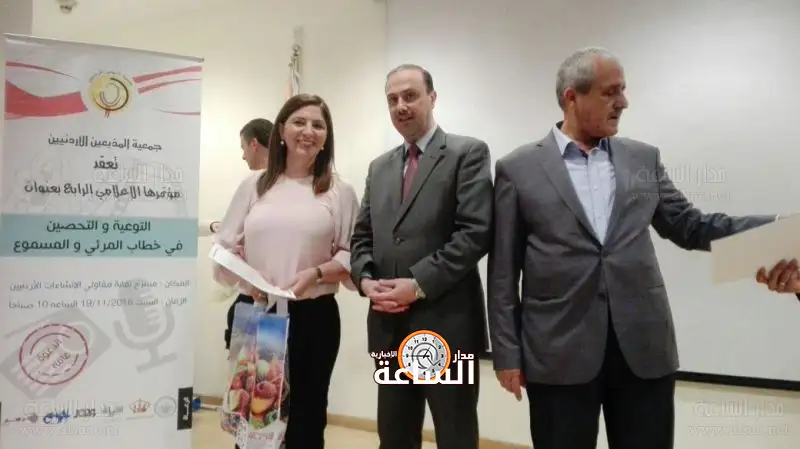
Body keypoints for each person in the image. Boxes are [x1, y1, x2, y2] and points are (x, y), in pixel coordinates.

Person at [487, 46, 779, 449]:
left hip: (643, 349)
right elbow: (503, 272)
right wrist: (506, 354)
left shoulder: (642, 158)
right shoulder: (517, 169)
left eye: (622, 90)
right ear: (572, 97)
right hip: (557, 354)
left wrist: (778, 232)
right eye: (611, 92)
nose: (623, 102)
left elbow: (691, 227)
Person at [350, 64, 493, 449]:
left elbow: (474, 233)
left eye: (410, 95)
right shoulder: (379, 167)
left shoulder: (467, 153)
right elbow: (361, 237)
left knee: (455, 436)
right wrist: (365, 280)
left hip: (447, 327)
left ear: (432, 97)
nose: (401, 105)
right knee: (394, 437)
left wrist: (416, 285)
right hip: (389, 329)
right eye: (392, 99)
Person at [212, 94, 359, 449]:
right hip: (258, 314)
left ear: (326, 137)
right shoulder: (254, 185)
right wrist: (248, 279)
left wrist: (317, 273)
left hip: (314, 318)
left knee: (307, 418)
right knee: (256, 419)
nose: (308, 131)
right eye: (299, 122)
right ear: (281, 130)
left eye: (318, 125)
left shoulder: (339, 191)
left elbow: (353, 253)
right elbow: (224, 249)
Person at [222, 118, 273, 350]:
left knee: (252, 371)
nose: (243, 156)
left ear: (254, 144)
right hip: (257, 301)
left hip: (258, 302)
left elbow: (226, 244)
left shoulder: (253, 183)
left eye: (243, 148)